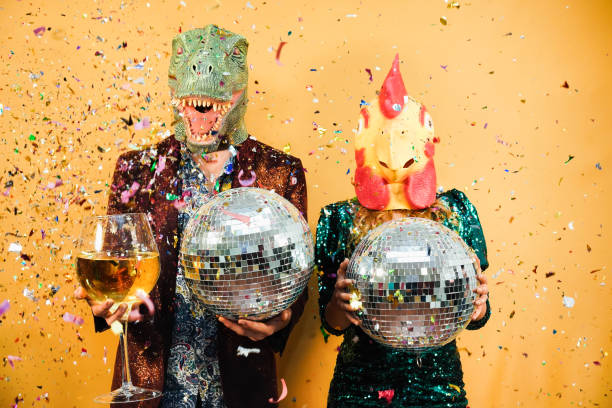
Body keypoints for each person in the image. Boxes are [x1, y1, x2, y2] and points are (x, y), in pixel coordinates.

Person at [75, 24, 308, 408]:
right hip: (152, 387)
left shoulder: (281, 172)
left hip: (241, 383)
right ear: (173, 87)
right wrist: (104, 303)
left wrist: (282, 317)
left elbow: (297, 270)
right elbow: (114, 269)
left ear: (240, 88)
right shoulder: (135, 170)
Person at [316, 55, 490, 407]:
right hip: (358, 391)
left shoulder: (454, 211)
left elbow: (476, 318)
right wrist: (337, 303)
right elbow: (331, 323)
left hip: (437, 389)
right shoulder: (338, 218)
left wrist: (479, 306)